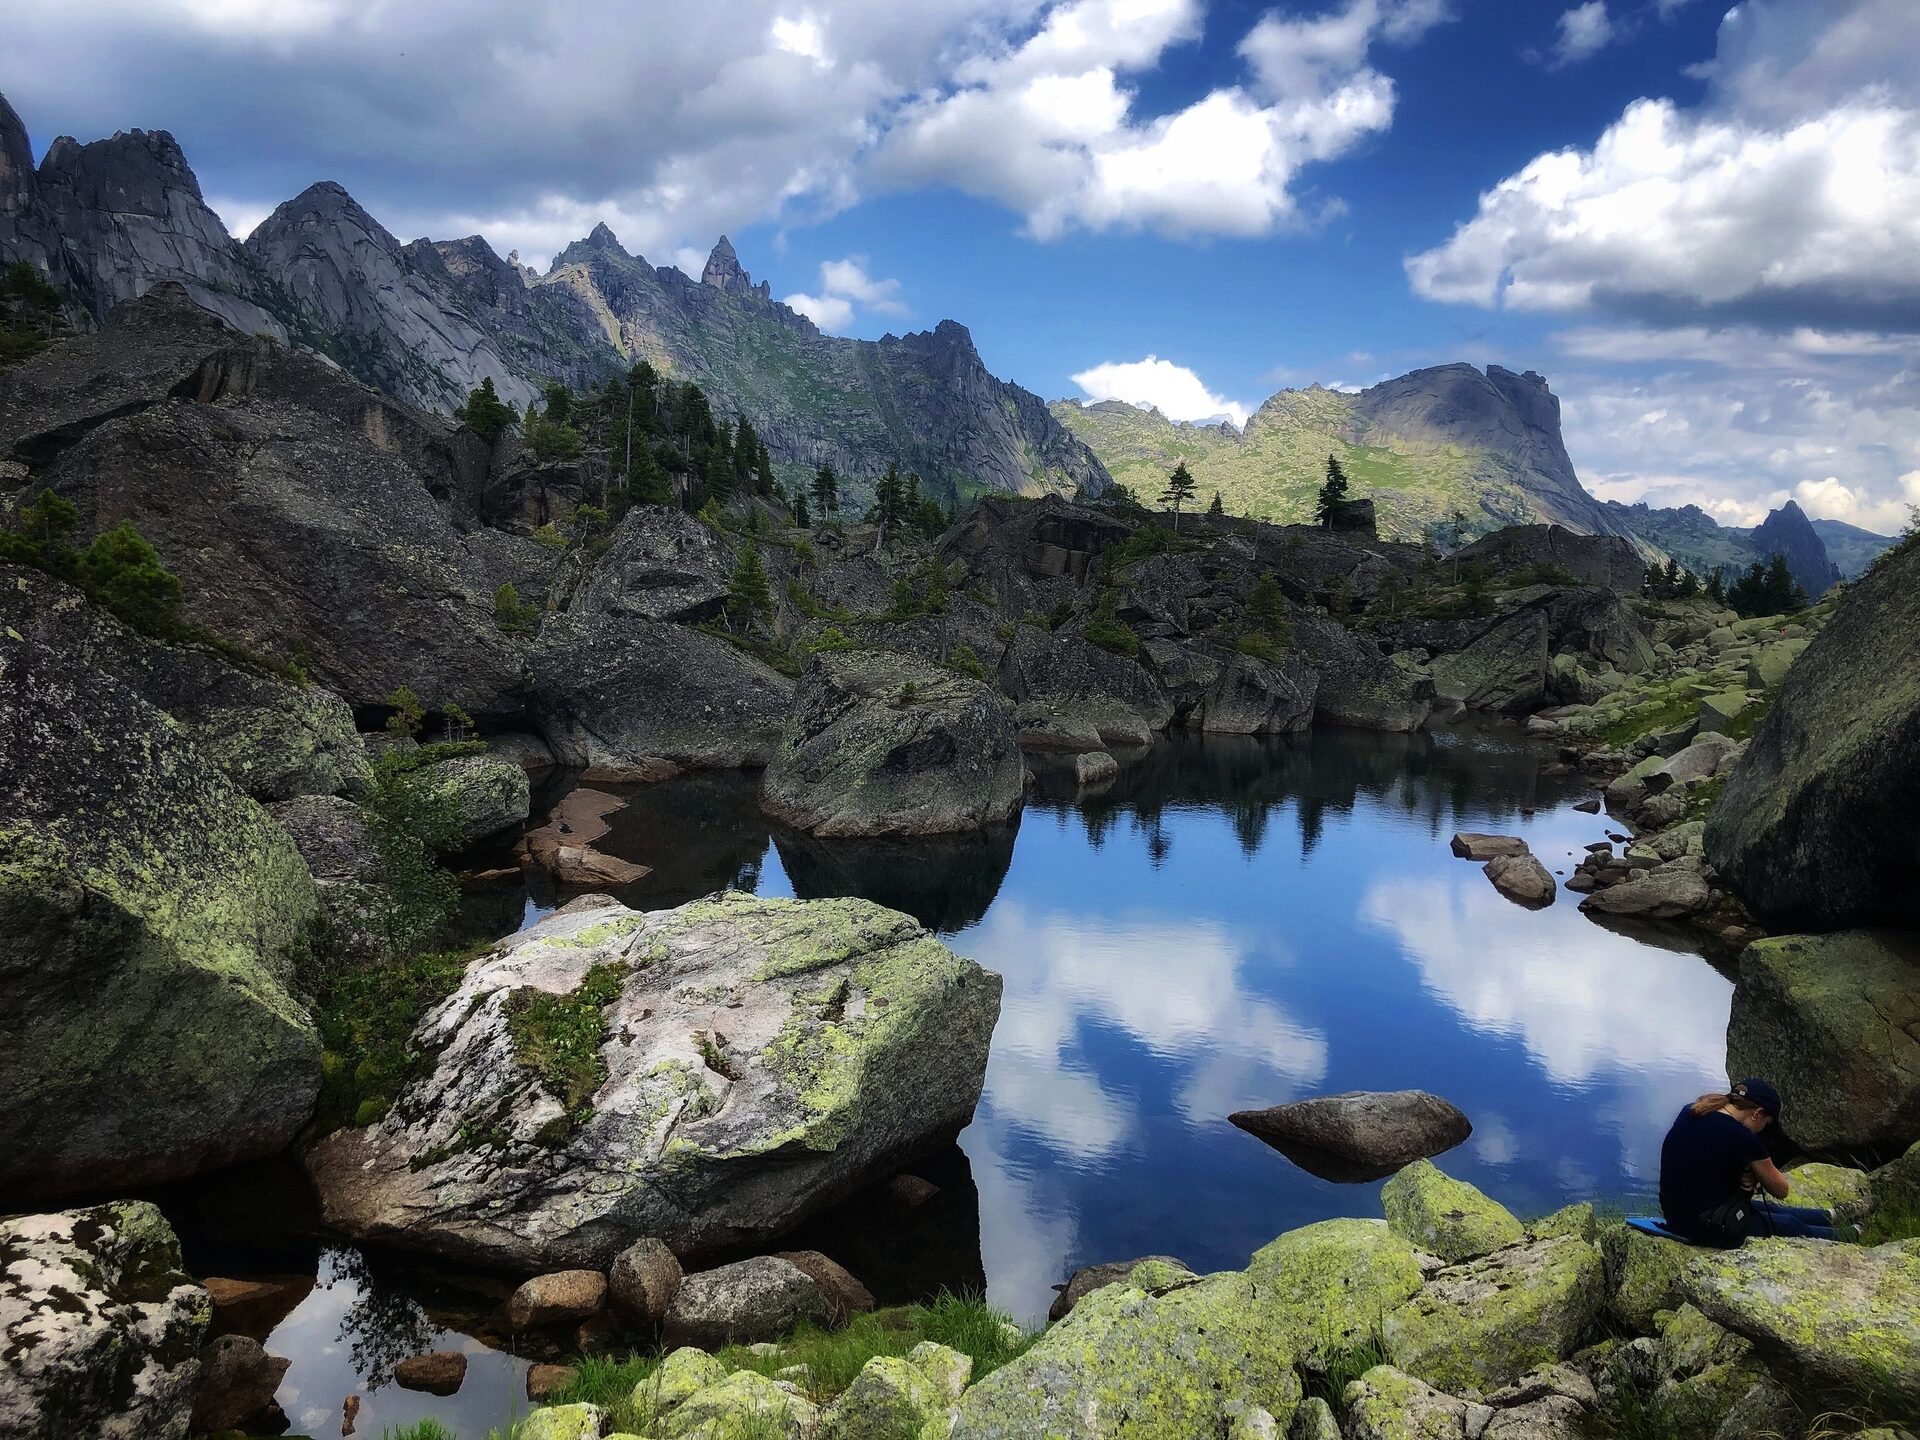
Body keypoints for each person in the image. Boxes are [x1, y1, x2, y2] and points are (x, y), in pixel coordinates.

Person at [1657, 1078, 1852, 1245]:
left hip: (1677, 1217)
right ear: (1757, 1113)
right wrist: (1755, 1172)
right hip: (1707, 1227)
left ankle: (1831, 1216)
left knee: (1772, 1210)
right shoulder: (1742, 1137)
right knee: (1791, 1224)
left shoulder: (1691, 1112)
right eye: (1766, 1125)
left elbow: (1703, 1162)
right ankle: (1851, 1234)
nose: (1763, 1131)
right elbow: (1781, 1190)